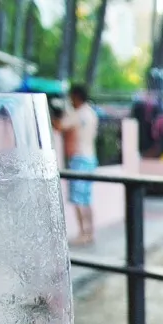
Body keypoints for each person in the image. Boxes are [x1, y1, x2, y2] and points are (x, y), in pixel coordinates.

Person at [56, 83, 100, 245]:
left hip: (79, 158)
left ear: (76, 97)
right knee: (86, 198)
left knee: (79, 198)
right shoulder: (91, 113)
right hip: (90, 157)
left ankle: (83, 233)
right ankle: (90, 232)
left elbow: (60, 126)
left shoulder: (78, 114)